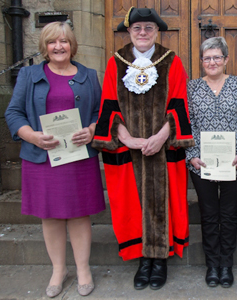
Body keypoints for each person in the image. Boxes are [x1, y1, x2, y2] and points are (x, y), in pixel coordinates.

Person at [91, 7, 194, 290]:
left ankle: (159, 258)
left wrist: (162, 136)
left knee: (162, 200)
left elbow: (179, 102)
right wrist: (125, 138)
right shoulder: (116, 62)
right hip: (129, 148)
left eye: (149, 28)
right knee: (132, 202)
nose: (143, 33)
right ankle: (142, 258)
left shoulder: (171, 61)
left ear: (157, 31)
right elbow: (109, 103)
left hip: (163, 146)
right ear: (129, 32)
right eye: (137, 29)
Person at [4, 21, 105, 297]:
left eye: (64, 41)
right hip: (43, 157)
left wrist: (91, 130)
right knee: (49, 216)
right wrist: (32, 136)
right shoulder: (29, 75)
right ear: (44, 46)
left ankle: (83, 269)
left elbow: (100, 112)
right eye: (52, 42)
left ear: (72, 45)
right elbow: (13, 113)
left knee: (79, 214)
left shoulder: (88, 75)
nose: (58, 47)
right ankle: (58, 270)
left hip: (78, 156)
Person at [185, 37, 237, 288]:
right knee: (209, 214)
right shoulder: (192, 87)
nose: (212, 62)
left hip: (234, 161)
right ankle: (212, 264)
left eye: (217, 57)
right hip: (201, 162)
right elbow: (186, 123)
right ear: (201, 61)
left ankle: (226, 264)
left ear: (225, 60)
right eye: (207, 58)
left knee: (229, 214)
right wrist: (192, 155)